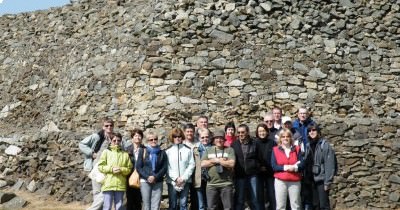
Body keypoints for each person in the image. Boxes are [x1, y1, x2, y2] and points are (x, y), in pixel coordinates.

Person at [79, 117, 115, 210]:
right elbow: (82, 144)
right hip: (97, 167)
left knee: (107, 190)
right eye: (106, 125)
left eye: (111, 125)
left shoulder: (115, 138)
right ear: (103, 127)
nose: (109, 127)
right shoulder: (96, 136)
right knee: (97, 191)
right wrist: (91, 153)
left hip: (109, 168)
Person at [201, 129, 235, 210]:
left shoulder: (229, 150)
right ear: (213, 140)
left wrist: (218, 160)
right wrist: (217, 160)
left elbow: (231, 164)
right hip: (211, 185)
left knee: (228, 208)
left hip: (226, 184)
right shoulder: (209, 150)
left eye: (221, 138)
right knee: (211, 208)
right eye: (217, 138)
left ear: (224, 139)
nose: (219, 140)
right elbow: (202, 164)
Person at [231, 124, 263, 210]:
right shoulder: (234, 145)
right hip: (240, 175)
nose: (240, 134)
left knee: (255, 199)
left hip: (253, 175)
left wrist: (257, 167)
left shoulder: (254, 143)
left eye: (243, 132)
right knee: (240, 199)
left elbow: (259, 157)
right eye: (239, 132)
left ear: (247, 132)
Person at [271, 129, 304, 210]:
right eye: (283, 136)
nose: (285, 138)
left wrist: (295, 168)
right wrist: (286, 167)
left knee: (296, 206)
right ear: (280, 138)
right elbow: (274, 166)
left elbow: (302, 164)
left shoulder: (297, 149)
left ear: (291, 138)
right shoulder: (275, 150)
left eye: (287, 136)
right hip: (280, 181)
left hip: (294, 181)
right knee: (280, 206)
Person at [98, 133, 132, 210]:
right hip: (108, 184)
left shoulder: (125, 154)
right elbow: (100, 166)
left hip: (120, 184)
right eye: (114, 140)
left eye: (118, 140)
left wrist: (121, 169)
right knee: (107, 207)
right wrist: (111, 169)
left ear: (121, 141)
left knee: (119, 207)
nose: (116, 142)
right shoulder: (106, 152)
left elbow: (129, 168)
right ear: (110, 141)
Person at [136, 132, 168, 210]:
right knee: (146, 205)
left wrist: (155, 177)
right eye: (151, 139)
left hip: (158, 181)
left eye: (155, 139)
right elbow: (138, 167)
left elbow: (164, 167)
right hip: (145, 181)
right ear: (147, 141)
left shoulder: (162, 152)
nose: (153, 141)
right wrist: (148, 177)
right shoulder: (142, 151)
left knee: (156, 205)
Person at [166, 128, 196, 210]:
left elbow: (191, 164)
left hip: (185, 181)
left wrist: (183, 178)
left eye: (179, 136)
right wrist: (175, 178)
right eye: (175, 136)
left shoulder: (188, 150)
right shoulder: (168, 151)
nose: (177, 138)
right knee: (173, 204)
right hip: (172, 182)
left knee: (183, 204)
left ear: (182, 137)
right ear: (172, 138)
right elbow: (167, 166)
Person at [308, 124, 336, 210]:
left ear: (318, 132)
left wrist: (327, 182)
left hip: (321, 179)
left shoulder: (324, 145)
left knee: (324, 205)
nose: (311, 132)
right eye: (309, 131)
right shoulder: (308, 145)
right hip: (311, 179)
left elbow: (330, 164)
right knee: (315, 205)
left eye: (314, 130)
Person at [183, 123, 205, 210]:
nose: (189, 133)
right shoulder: (181, 143)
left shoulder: (199, 143)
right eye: (187, 131)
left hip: (197, 172)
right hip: (185, 172)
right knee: (184, 196)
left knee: (197, 194)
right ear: (184, 132)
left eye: (191, 131)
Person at [255, 123, 276, 210]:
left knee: (271, 195)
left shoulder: (272, 142)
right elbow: (253, 157)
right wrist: (259, 166)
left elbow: (275, 157)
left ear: (267, 132)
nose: (262, 133)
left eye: (263, 131)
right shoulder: (254, 143)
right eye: (260, 131)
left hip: (270, 173)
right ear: (257, 132)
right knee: (260, 196)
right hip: (258, 173)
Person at [125, 129, 146, 210]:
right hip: (129, 177)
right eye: (136, 135)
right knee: (130, 200)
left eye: (139, 135)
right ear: (132, 138)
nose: (138, 137)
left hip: (141, 177)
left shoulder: (145, 149)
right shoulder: (127, 150)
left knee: (139, 200)